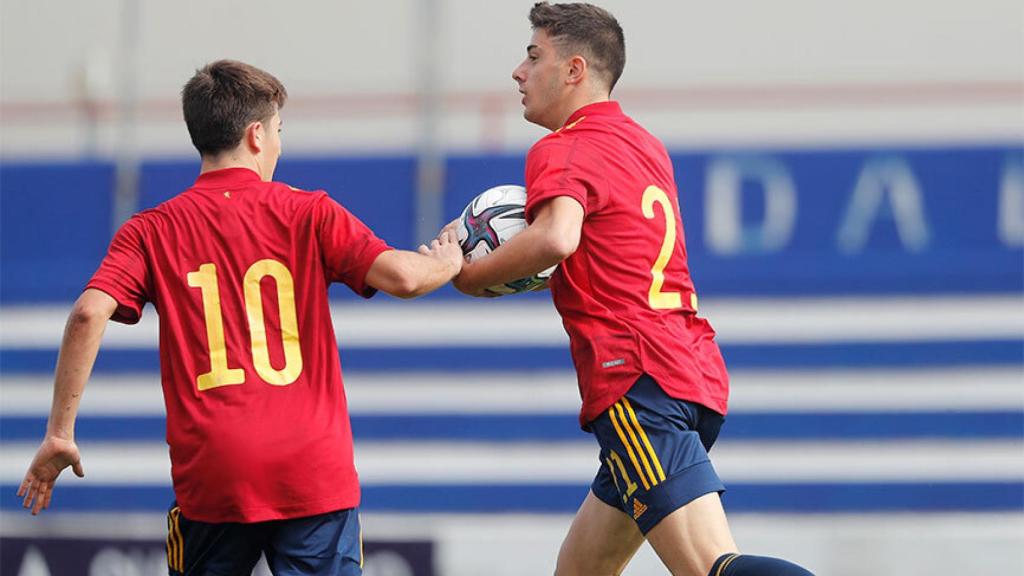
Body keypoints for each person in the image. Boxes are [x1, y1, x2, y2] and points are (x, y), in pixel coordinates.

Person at [17, 59, 463, 576]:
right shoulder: (309, 210)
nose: (278, 145)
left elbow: (88, 313)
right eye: (278, 131)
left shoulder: (149, 229)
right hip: (311, 473)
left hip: (214, 478)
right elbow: (405, 278)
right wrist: (447, 262)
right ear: (256, 135)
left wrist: (60, 432)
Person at [446, 4, 814, 576]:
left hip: (636, 379)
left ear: (573, 70)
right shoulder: (642, 143)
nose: (519, 71)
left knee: (712, 567)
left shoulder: (561, 146)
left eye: (533, 55)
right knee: (580, 569)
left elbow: (555, 239)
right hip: (690, 372)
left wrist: (467, 275)